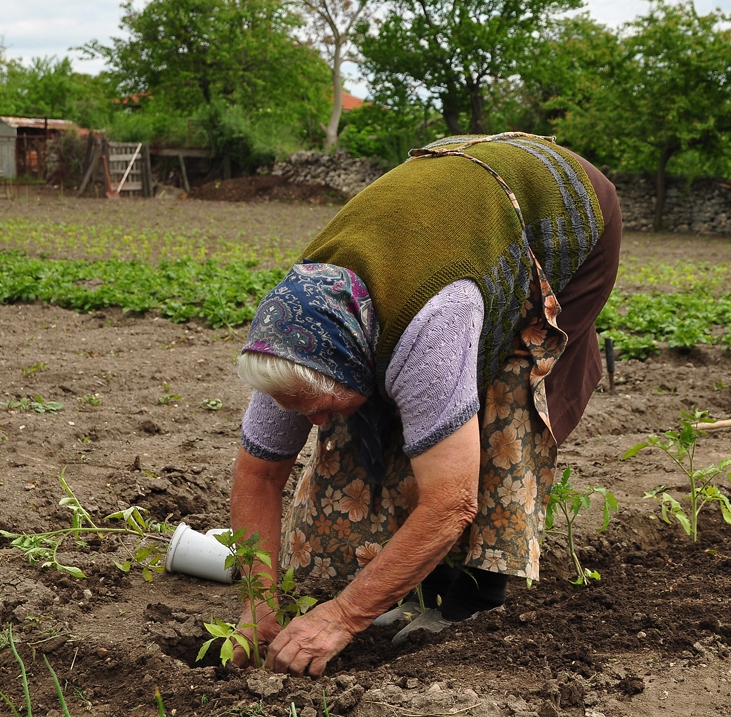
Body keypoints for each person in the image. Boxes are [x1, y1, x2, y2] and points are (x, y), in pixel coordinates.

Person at [229, 132, 622, 677]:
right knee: (373, 416)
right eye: (298, 407)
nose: (312, 421)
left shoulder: (432, 326)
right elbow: (258, 477)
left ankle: (475, 596)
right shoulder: (296, 339)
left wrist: (343, 616)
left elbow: (451, 500)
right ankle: (423, 581)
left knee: (499, 399)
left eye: (316, 403)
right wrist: (258, 603)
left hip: (563, 208)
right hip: (454, 207)